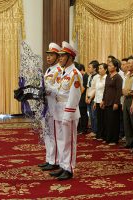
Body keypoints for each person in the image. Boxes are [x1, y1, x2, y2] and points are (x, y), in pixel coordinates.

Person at [49, 41, 82, 180]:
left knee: (69, 141)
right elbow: (59, 90)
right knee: (62, 141)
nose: (60, 58)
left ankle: (69, 168)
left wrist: (67, 115)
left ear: (70, 57)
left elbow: (74, 97)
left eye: (63, 56)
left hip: (69, 112)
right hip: (58, 109)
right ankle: (62, 165)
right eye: (60, 56)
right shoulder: (63, 73)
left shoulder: (75, 73)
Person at [38, 43, 62, 171]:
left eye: (51, 55)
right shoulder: (48, 70)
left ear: (58, 57)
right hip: (46, 106)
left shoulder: (59, 70)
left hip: (54, 106)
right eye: (47, 55)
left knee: (53, 134)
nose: (48, 57)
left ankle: (55, 161)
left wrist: (47, 89)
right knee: (46, 133)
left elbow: (59, 90)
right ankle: (49, 158)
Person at [101, 58, 123, 145]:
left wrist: (116, 103)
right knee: (107, 121)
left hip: (114, 102)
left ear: (115, 67)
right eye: (108, 65)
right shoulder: (108, 76)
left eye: (110, 66)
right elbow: (105, 89)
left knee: (114, 122)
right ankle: (108, 138)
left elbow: (119, 91)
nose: (108, 67)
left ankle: (114, 139)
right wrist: (103, 100)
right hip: (107, 102)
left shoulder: (118, 77)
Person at [122, 56, 133, 149]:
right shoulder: (127, 75)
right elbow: (123, 89)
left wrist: (128, 92)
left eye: (130, 63)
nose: (128, 65)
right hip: (126, 99)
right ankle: (128, 142)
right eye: (127, 63)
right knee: (126, 122)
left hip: (132, 99)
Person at [93, 63, 108, 140]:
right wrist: (95, 102)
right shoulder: (98, 78)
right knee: (99, 118)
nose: (99, 70)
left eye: (101, 68)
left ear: (105, 69)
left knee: (104, 119)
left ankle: (103, 135)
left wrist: (103, 100)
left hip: (103, 101)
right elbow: (97, 90)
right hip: (98, 100)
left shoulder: (107, 78)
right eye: (99, 68)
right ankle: (99, 134)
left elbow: (106, 91)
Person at [86, 60, 99, 137]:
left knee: (94, 115)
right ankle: (92, 130)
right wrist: (86, 97)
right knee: (90, 115)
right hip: (88, 97)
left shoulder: (97, 77)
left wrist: (90, 98)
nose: (88, 68)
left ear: (94, 68)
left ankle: (95, 131)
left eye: (90, 67)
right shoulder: (90, 76)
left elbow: (95, 89)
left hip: (94, 98)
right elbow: (88, 87)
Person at [76, 64, 89, 134]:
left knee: (83, 113)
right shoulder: (81, 76)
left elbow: (83, 88)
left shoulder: (85, 76)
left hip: (83, 97)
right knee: (80, 113)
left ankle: (84, 129)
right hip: (79, 97)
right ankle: (80, 128)